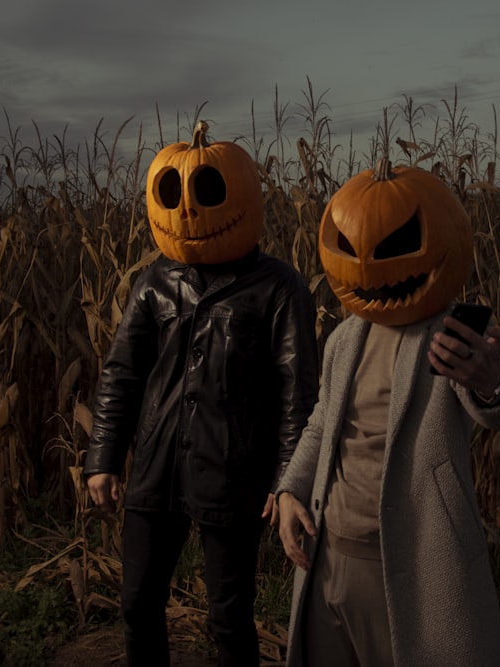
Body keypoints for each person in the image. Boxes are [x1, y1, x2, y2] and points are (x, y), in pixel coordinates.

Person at [85, 122, 319, 667]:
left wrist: (288, 479)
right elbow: (121, 374)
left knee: (227, 617)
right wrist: (103, 457)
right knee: (139, 604)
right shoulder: (155, 283)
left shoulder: (279, 288)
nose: (187, 211)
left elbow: (295, 391)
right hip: (156, 467)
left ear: (241, 197)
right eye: (173, 195)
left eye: (206, 193)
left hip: (233, 471)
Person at [275, 157, 500, 666]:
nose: (368, 266)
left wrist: (490, 381)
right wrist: (288, 490)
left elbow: (498, 406)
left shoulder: (450, 336)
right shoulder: (346, 336)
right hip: (326, 552)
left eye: (392, 247)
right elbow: (323, 422)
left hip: (403, 563)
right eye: (353, 250)